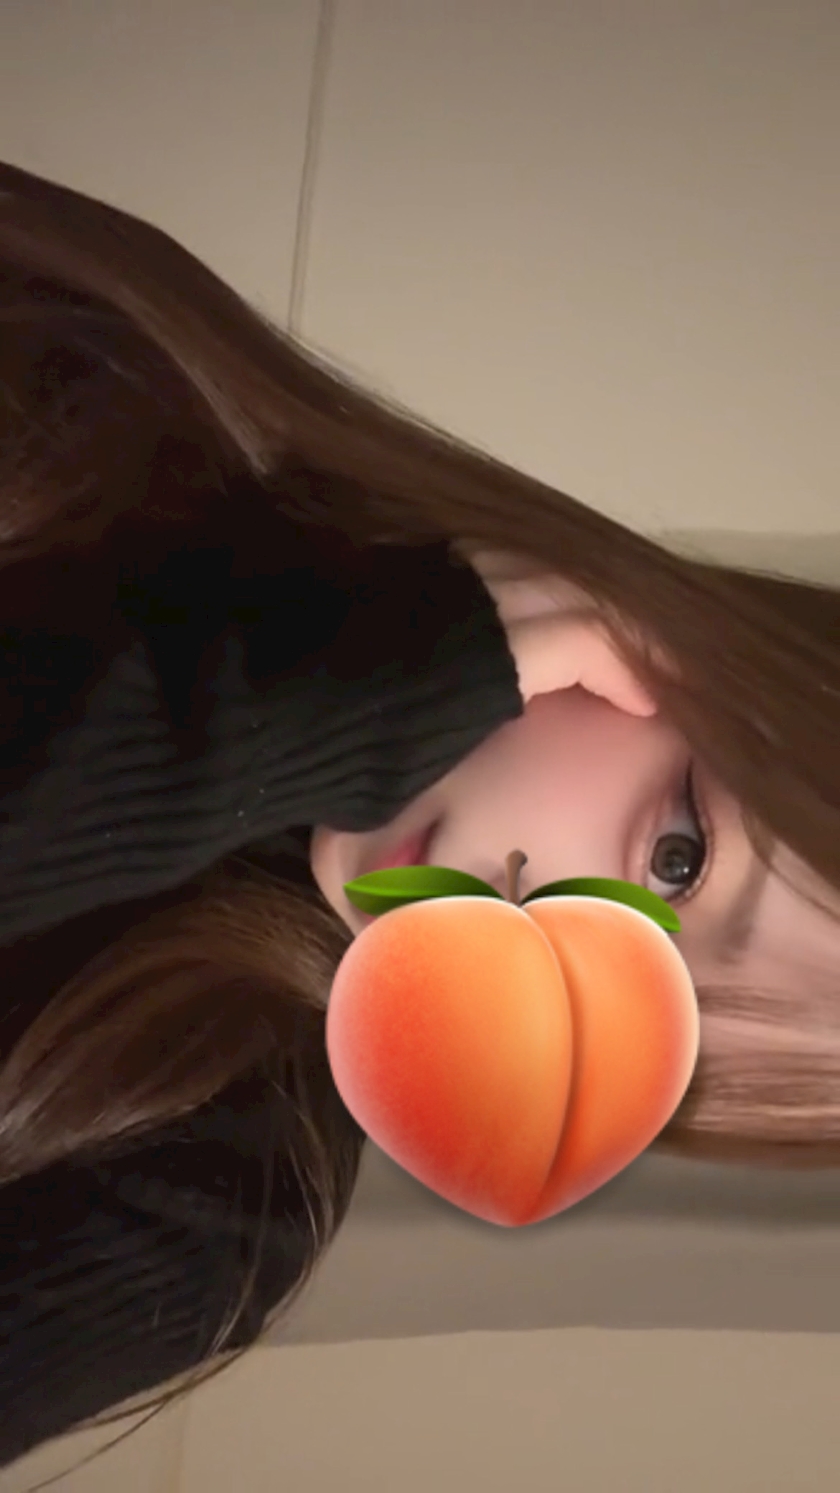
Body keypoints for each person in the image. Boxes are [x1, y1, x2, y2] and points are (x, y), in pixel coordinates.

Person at [0, 159, 836, 1474]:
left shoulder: (215, 1200)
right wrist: (326, 695)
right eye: (678, 857)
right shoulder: (104, 366)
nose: (535, 963)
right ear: (688, 641)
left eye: (646, 1039)